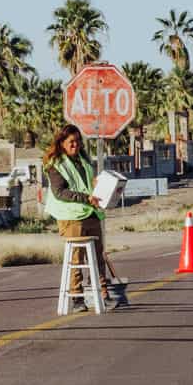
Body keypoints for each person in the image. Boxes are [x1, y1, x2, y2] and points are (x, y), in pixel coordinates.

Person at [44, 122, 127, 309]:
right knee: (77, 257)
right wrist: (85, 198)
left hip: (91, 212)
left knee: (98, 256)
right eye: (72, 142)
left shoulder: (83, 159)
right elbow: (60, 192)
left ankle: (103, 294)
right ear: (62, 143)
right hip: (71, 216)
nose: (76, 145)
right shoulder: (55, 164)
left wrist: (97, 183)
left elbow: (87, 182)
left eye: (78, 141)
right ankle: (77, 297)